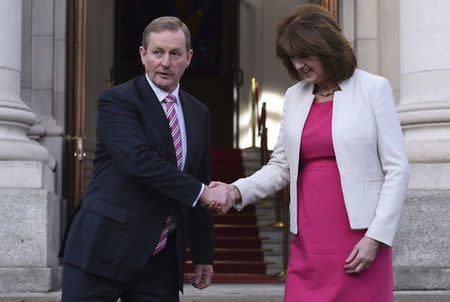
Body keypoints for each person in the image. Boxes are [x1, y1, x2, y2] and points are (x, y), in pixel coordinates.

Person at [210, 4, 410, 302]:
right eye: (293, 58)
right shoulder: (295, 95)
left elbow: (397, 169)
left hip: (360, 237)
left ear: (328, 48)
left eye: (305, 55)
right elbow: (280, 166)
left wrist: (376, 237)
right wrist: (236, 190)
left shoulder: (373, 89)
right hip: (309, 237)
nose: (299, 65)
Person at [59, 16, 234, 302]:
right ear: (143, 55)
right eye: (157, 52)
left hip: (160, 259)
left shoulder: (198, 112)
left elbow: (200, 175)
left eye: (175, 53)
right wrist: (203, 193)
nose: (165, 62)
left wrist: (203, 255)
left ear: (188, 58)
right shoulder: (118, 101)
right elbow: (138, 161)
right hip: (103, 248)